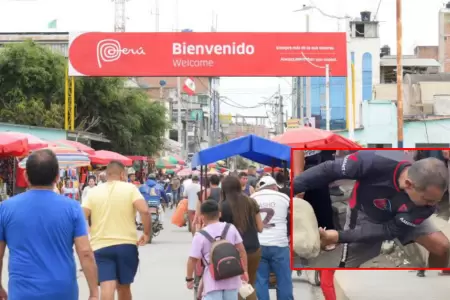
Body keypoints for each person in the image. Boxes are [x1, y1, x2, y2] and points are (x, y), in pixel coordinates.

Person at [293, 150, 450, 268]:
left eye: (437, 200)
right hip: (364, 214)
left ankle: (434, 282)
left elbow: (389, 230)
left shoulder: (425, 207)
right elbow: (328, 170)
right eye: (429, 200)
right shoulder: (374, 160)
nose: (433, 206)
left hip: (403, 218)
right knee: (348, 268)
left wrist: (338, 236)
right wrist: (287, 192)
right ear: (409, 184)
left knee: (442, 247)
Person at [0, 149, 98, 299]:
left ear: (26, 176)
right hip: (62, 291)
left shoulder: (5, 209)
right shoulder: (72, 208)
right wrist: (94, 292)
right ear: (57, 177)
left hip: (23, 292)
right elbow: (85, 253)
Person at [82, 161, 151, 300]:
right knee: (124, 287)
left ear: (107, 175)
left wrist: (87, 230)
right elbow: (144, 210)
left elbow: (81, 215)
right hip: (126, 246)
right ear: (122, 174)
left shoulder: (93, 191)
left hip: (100, 246)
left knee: (107, 286)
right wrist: (146, 233)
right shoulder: (130, 189)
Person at [186, 200, 248, 300]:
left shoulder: (200, 235)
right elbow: (242, 251)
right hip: (232, 278)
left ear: (202, 216)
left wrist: (189, 279)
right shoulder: (231, 228)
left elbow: (192, 260)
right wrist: (245, 271)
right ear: (219, 214)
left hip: (212, 281)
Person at [220, 176, 263, 300]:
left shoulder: (223, 206)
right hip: (254, 249)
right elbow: (260, 228)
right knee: (249, 285)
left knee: (233, 286)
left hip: (232, 252)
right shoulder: (251, 202)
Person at [252, 176, 293, 300]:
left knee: (260, 280)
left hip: (259, 243)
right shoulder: (284, 198)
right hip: (280, 244)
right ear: (275, 187)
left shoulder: (252, 198)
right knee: (284, 279)